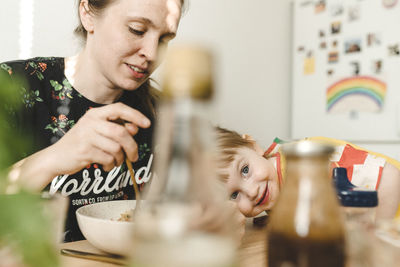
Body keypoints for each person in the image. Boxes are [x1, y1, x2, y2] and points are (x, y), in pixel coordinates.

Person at [0, 0, 185, 242]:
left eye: (164, 40)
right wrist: (53, 158)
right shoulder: (12, 87)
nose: (151, 54)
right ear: (87, 14)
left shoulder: (159, 113)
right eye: (137, 30)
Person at [214, 126, 400, 221]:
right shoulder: (271, 187)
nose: (252, 191)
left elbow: (391, 178)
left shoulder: (306, 167)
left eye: (245, 170)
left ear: (253, 146)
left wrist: (379, 236)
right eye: (234, 195)